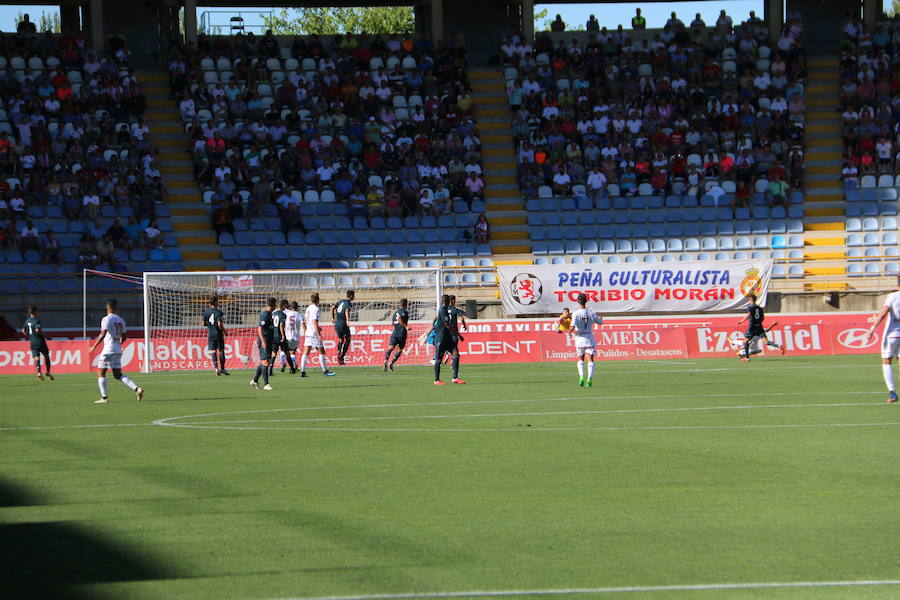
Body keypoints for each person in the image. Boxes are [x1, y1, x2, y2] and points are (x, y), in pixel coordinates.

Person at [88, 299, 144, 404]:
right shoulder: (121, 320)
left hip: (108, 350)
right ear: (115, 308)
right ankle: (137, 389)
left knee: (101, 372)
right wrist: (118, 345)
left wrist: (93, 347)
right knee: (118, 374)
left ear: (107, 308)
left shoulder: (106, 319)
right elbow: (124, 336)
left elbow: (103, 333)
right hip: (117, 349)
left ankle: (104, 398)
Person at [867, 277, 900, 402]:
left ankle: (892, 393)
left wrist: (872, 329)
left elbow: (883, 313)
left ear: (897, 284)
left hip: (892, 334)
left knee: (887, 361)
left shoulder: (892, 296)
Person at [736, 294, 783, 362]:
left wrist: (741, 321)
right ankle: (777, 346)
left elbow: (748, 314)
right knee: (765, 341)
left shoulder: (750, 307)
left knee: (745, 341)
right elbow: (762, 318)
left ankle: (747, 358)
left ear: (750, 300)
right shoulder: (760, 308)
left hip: (752, 327)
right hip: (760, 327)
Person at [570, 293, 603, 387]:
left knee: (580, 358)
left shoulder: (576, 313)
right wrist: (600, 318)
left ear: (577, 301)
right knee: (590, 359)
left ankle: (581, 377)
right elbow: (600, 322)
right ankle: (589, 379)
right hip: (589, 338)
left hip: (579, 338)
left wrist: (569, 331)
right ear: (586, 301)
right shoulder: (591, 312)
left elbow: (572, 326)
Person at [301, 293, 336, 377]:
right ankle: (325, 371)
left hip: (308, 332)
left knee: (306, 351)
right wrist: (318, 333)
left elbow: (306, 320)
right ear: (318, 300)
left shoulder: (309, 307)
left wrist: (312, 327)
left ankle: (302, 371)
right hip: (313, 333)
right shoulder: (316, 309)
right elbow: (315, 322)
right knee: (321, 351)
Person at [432, 294, 465, 385]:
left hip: (448, 337)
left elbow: (435, 319)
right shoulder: (442, 310)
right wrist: (458, 334)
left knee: (456, 354)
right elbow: (447, 325)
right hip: (441, 338)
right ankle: (436, 380)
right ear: (447, 302)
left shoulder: (445, 310)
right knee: (438, 358)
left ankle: (455, 377)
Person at [250, 297, 275, 390]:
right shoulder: (265, 314)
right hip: (264, 341)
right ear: (273, 305)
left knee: (265, 362)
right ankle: (266, 384)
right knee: (265, 362)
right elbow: (260, 328)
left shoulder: (269, 314)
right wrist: (263, 340)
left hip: (268, 340)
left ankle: (255, 380)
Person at [22, 306, 53, 381]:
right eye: (37, 311)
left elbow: (23, 330)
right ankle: (48, 372)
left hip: (32, 342)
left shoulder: (27, 321)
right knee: (46, 355)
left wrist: (30, 336)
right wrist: (44, 335)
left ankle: (39, 372)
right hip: (40, 341)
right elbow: (37, 329)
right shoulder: (36, 320)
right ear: (35, 312)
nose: (38, 312)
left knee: (36, 357)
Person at [203, 296, 229, 376]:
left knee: (213, 351)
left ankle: (216, 368)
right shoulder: (218, 312)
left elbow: (202, 323)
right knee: (221, 350)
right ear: (216, 302)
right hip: (218, 334)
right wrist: (225, 331)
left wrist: (210, 325)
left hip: (210, 334)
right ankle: (223, 369)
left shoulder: (206, 312)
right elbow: (219, 324)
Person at [270, 299, 296, 375]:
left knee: (274, 353)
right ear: (283, 306)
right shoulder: (282, 314)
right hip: (280, 337)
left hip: (274, 336)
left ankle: (270, 370)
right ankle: (292, 368)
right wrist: (283, 335)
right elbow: (281, 325)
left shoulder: (273, 313)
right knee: (287, 352)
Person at [383, 298, 410, 372]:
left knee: (391, 347)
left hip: (395, 333)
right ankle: (391, 363)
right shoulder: (404, 312)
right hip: (402, 333)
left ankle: (386, 360)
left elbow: (392, 323)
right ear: (405, 304)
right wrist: (406, 326)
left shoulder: (395, 312)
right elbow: (399, 318)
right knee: (400, 349)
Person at [332, 290, 354, 366]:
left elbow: (332, 308)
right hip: (343, 324)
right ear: (351, 296)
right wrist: (347, 320)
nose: (354, 297)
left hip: (336, 324)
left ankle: (338, 353)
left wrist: (333, 318)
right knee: (348, 339)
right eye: (353, 295)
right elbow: (346, 311)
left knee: (341, 339)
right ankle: (342, 357)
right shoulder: (348, 303)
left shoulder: (341, 301)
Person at [281, 301, 302, 372]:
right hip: (295, 336)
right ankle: (292, 367)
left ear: (291, 307)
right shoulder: (299, 315)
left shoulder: (287, 313)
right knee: (293, 352)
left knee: (284, 351)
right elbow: (303, 324)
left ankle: (284, 363)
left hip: (287, 335)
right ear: (297, 308)